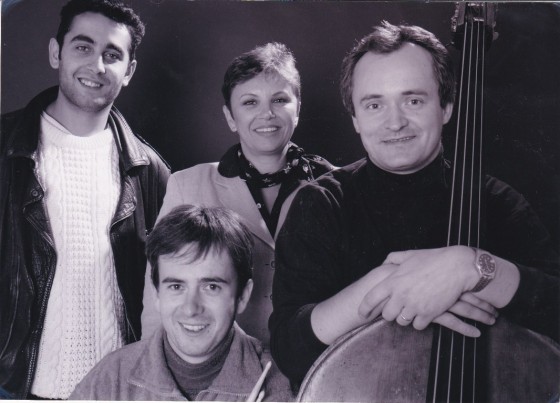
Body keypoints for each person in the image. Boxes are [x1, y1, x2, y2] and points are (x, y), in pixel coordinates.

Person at [269, 21, 560, 384]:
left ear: (446, 107)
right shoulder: (320, 204)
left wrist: (472, 267)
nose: (395, 123)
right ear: (356, 118)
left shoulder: (498, 203)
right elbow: (289, 351)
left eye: (413, 100)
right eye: (374, 104)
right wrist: (391, 284)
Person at [0, 0, 170, 399]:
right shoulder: (6, 148)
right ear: (55, 52)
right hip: (13, 388)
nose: (97, 65)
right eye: (83, 47)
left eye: (112, 55)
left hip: (117, 391)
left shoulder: (151, 171)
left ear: (128, 71)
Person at [141, 42, 333, 347]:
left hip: (317, 361)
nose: (266, 114)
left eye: (279, 100)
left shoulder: (337, 184)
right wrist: (154, 369)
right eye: (250, 102)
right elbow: (159, 298)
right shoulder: (187, 185)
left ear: (297, 109)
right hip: (221, 363)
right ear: (230, 117)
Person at [70, 205, 293, 401]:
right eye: (176, 287)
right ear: (157, 294)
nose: (191, 308)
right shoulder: (109, 379)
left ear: (242, 296)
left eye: (211, 287)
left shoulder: (284, 385)